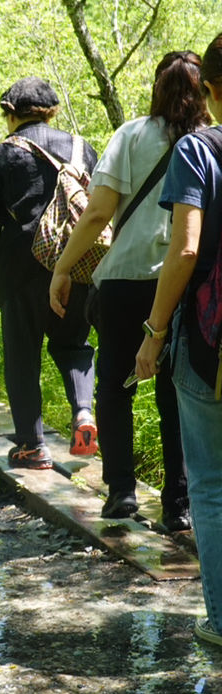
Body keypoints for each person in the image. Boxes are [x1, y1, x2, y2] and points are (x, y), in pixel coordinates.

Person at [50, 52, 208, 527]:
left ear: (157, 86)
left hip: (123, 282)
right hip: (183, 284)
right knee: (176, 395)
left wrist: (63, 267)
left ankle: (121, 492)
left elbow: (97, 213)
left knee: (116, 390)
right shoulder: (209, 143)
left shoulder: (132, 134)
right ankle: (178, 505)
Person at [0, 77, 97, 466]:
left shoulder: (1, 155)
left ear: (10, 112)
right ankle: (83, 411)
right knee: (74, 344)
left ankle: (32, 446)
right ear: (51, 112)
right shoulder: (83, 149)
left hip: (21, 269)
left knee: (22, 355)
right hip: (76, 263)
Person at [136, 33, 222, 645]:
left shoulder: (198, 148)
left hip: (209, 344)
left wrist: (154, 330)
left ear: (212, 90)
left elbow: (185, 247)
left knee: (212, 486)